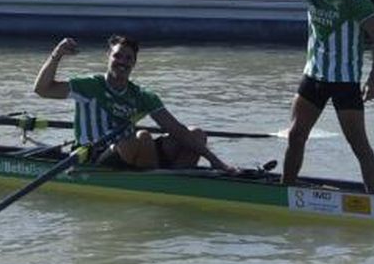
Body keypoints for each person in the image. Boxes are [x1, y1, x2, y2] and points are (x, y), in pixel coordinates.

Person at [239, 0, 374, 195]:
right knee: (296, 135)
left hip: (344, 81)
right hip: (313, 76)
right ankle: (286, 192)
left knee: (359, 145)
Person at [33, 35, 232, 171]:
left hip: (133, 152)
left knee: (195, 134)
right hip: (94, 156)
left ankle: (179, 181)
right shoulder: (89, 85)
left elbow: (176, 129)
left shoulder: (142, 95)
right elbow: (42, 89)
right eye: (117, 56)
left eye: (128, 58)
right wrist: (57, 54)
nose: (122, 61)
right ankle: (158, 184)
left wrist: (216, 161)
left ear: (134, 63)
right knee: (143, 136)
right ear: (108, 57)